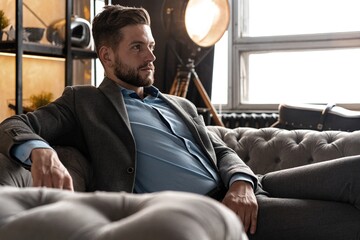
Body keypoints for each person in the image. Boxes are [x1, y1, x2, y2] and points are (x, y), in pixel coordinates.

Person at [0, 4, 359, 240]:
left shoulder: (179, 103)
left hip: (247, 186)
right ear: (107, 56)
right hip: (210, 209)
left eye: (151, 45)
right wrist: (40, 152)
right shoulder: (84, 101)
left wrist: (240, 182)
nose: (152, 55)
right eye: (137, 47)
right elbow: (14, 124)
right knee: (346, 221)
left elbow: (220, 149)